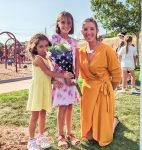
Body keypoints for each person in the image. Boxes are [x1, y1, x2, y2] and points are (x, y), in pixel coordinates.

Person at [26, 33, 73, 150]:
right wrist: (63, 75)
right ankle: (31, 140)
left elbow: (47, 76)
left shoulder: (46, 58)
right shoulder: (37, 59)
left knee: (43, 114)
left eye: (46, 46)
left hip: (45, 89)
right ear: (34, 47)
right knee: (34, 116)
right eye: (41, 46)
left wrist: (53, 81)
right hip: (37, 90)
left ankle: (40, 136)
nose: (44, 49)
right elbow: (47, 72)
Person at [79, 18, 121, 146]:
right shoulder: (80, 52)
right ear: (82, 32)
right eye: (86, 29)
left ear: (97, 31)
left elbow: (117, 74)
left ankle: (113, 122)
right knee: (89, 137)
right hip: (87, 91)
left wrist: (108, 90)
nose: (89, 32)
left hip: (103, 91)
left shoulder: (106, 49)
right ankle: (112, 120)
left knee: (103, 138)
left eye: (92, 29)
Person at [51, 11, 80, 148]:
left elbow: (77, 60)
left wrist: (75, 76)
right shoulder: (55, 39)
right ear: (58, 23)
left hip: (71, 78)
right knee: (62, 107)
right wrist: (66, 76)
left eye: (69, 22)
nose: (66, 25)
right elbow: (58, 59)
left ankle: (70, 133)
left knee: (70, 106)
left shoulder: (74, 41)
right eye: (63, 22)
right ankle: (60, 135)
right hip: (61, 78)